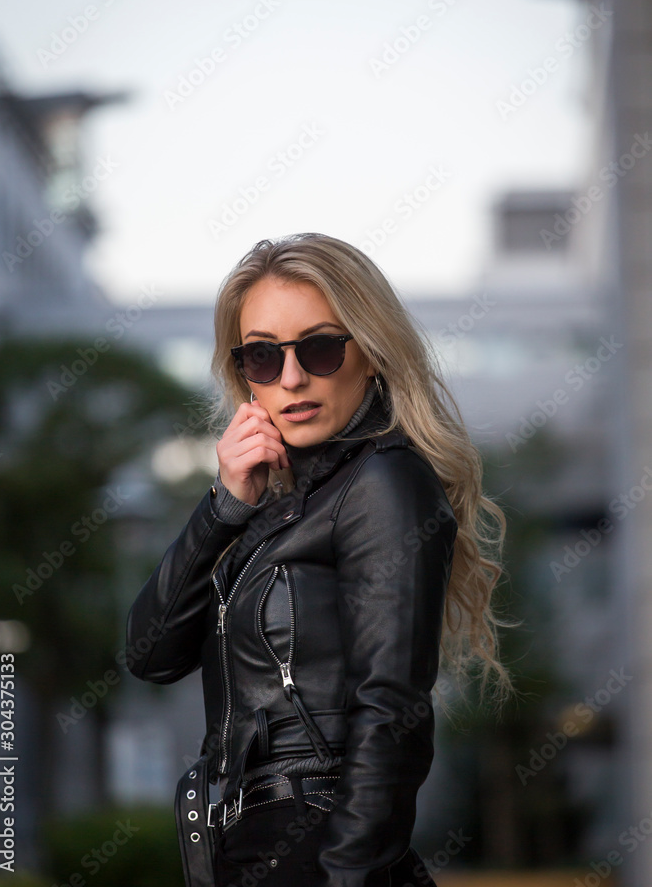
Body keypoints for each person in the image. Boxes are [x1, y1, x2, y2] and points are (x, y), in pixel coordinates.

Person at [126, 232, 513, 887]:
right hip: (249, 848)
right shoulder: (275, 511)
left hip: (317, 846)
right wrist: (224, 505)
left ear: (372, 355)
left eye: (321, 347)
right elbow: (150, 654)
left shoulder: (384, 482)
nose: (292, 378)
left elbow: (391, 712)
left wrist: (345, 874)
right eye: (262, 355)